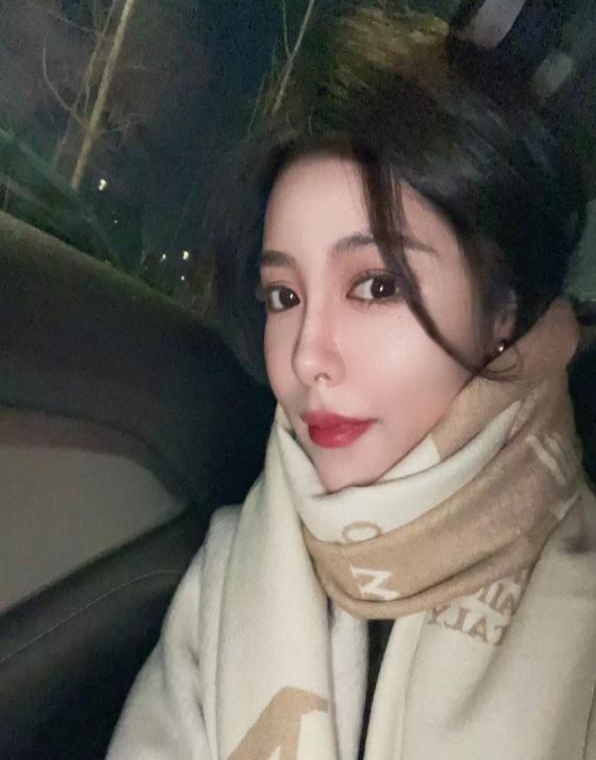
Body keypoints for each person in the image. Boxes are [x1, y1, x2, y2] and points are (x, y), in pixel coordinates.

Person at [106, 5, 596, 759]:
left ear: (502, 307)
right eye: (283, 296)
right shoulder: (229, 576)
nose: (307, 357)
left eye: (375, 285)